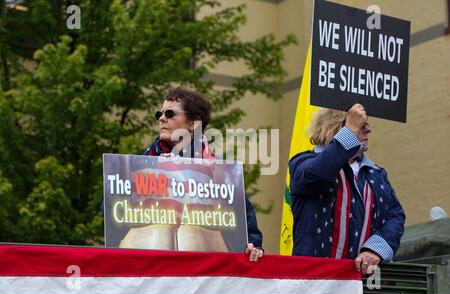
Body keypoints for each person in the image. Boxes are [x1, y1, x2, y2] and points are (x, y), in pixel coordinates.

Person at [144, 86, 264, 262]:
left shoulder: (221, 171)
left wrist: (254, 246)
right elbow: (111, 209)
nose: (161, 118)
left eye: (169, 114)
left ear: (193, 123)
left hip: (206, 274)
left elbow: (247, 226)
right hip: (153, 270)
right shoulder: (141, 162)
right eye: (159, 114)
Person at [288, 104, 405, 274]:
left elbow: (395, 215)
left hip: (362, 283)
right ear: (336, 127)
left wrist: (374, 250)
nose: (368, 130)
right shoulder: (302, 162)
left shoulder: (376, 174)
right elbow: (316, 176)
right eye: (361, 125)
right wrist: (350, 130)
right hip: (314, 280)